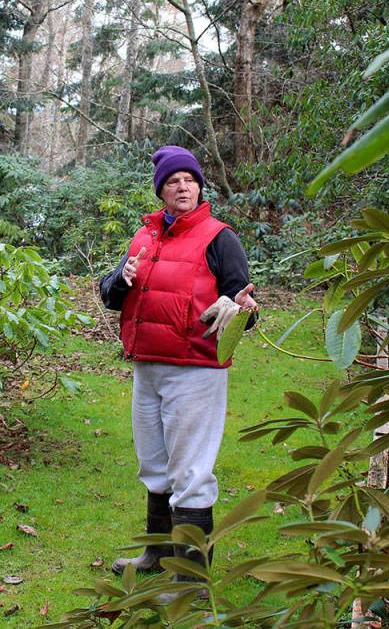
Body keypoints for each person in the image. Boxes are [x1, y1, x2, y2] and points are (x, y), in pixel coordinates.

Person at [99, 145, 258, 585]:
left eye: (190, 180)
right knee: (154, 465)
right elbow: (111, 294)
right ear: (161, 192)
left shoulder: (219, 238)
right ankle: (157, 554)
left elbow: (245, 304)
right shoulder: (145, 237)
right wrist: (119, 280)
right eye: (173, 181)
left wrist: (240, 308)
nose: (183, 187)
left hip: (195, 370)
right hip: (147, 367)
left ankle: (191, 582)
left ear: (200, 187)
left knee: (190, 471)